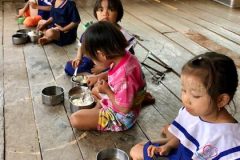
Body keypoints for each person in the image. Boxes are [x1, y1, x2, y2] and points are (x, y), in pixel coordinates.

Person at [130, 52, 240, 160]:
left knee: (139, 151)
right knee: (136, 150)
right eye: (184, 90)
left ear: (220, 100)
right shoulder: (194, 111)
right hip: (181, 152)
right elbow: (184, 135)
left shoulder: (229, 140)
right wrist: (168, 146)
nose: (186, 99)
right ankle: (169, 132)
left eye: (195, 96)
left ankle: (169, 131)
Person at [64, 0, 155, 105]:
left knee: (102, 86)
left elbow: (128, 63)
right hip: (97, 60)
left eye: (110, 10)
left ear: (118, 13)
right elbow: (83, 46)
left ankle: (137, 97)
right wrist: (79, 58)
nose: (105, 13)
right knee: (70, 66)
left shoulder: (122, 35)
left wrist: (103, 69)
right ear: (95, 12)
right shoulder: (93, 30)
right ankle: (94, 78)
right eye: (101, 10)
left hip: (114, 68)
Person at [69, 21, 147, 131]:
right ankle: (97, 110)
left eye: (93, 59)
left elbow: (124, 109)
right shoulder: (125, 56)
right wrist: (99, 76)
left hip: (122, 117)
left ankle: (98, 111)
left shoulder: (125, 75)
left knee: (75, 119)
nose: (94, 62)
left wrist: (107, 90)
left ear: (102, 54)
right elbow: (115, 72)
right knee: (95, 90)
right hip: (123, 100)